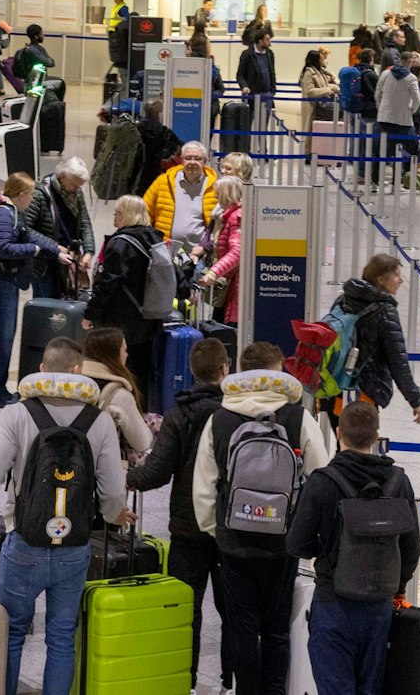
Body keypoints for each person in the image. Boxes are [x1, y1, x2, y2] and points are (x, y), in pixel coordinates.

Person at [0, 336, 131, 695]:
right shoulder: (101, 421)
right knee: (62, 638)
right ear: (78, 371)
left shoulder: (17, 413)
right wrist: (114, 515)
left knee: (11, 632)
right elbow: (111, 491)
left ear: (43, 370)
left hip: (24, 542)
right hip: (74, 546)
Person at [192, 341, 331, 695]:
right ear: (278, 371)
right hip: (281, 540)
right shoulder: (298, 416)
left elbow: (204, 486)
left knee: (240, 626)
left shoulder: (219, 418)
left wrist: (216, 530)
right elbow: (321, 477)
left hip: (234, 541)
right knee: (275, 628)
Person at [287, 399, 420, 693]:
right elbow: (413, 546)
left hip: (334, 603)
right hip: (379, 608)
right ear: (376, 436)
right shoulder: (399, 482)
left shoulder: (323, 482)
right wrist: (396, 585)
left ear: (338, 434)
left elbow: (298, 544)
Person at [129, 338, 232, 691]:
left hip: (188, 527)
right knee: (232, 607)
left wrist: (118, 478)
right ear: (225, 369)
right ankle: (230, 677)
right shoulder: (235, 413)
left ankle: (183, 678)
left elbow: (155, 473)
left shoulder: (178, 415)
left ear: (191, 371)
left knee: (186, 606)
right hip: (231, 527)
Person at [0, 176, 74, 409]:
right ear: (21, 194)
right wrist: (34, 250)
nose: (32, 200)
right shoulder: (2, 213)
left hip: (3, 280)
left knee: (4, 336)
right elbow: (3, 247)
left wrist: (54, 249)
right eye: (30, 195)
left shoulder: (11, 211)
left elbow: (26, 233)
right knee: (1, 337)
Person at [329, 254, 420, 424]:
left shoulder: (343, 299)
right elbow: (398, 362)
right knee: (360, 446)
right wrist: (415, 400)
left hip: (333, 385)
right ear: (381, 279)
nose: (401, 280)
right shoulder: (384, 311)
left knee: (342, 442)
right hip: (362, 392)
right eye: (396, 274)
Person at [90, 195, 168, 400]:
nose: (114, 217)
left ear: (126, 215)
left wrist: (90, 313)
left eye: (117, 212)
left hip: (123, 322)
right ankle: (141, 415)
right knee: (141, 374)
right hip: (151, 318)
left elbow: (107, 284)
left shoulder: (121, 244)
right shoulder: (157, 239)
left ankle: (121, 415)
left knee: (120, 371)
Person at [22, 156, 97, 300]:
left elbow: (85, 222)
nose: (77, 190)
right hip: (45, 264)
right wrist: (54, 247)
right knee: (45, 307)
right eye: (74, 185)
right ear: (62, 176)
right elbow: (26, 229)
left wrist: (89, 251)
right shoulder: (39, 194)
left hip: (68, 259)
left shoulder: (76, 193)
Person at [76, 327, 156, 455]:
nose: (127, 355)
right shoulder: (118, 394)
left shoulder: (68, 384)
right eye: (124, 350)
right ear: (113, 355)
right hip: (102, 466)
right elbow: (142, 443)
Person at [144, 140, 217, 249]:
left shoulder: (215, 187)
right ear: (181, 160)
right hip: (166, 251)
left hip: (200, 255)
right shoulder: (163, 181)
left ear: (205, 161)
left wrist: (207, 246)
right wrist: (151, 240)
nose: (192, 162)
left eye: (197, 158)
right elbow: (144, 211)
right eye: (188, 158)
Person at [197, 176, 246, 328]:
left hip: (235, 286)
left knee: (226, 330)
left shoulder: (237, 217)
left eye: (218, 192)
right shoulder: (228, 216)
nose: (215, 196)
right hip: (229, 283)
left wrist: (214, 273)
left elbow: (238, 252)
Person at [374, 53, 420, 186]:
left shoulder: (385, 74)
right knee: (409, 149)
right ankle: (402, 179)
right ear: (410, 62)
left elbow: (377, 93)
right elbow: (418, 99)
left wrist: (381, 107)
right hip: (403, 120)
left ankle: (376, 180)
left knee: (379, 150)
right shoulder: (411, 78)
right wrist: (410, 111)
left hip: (384, 118)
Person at [238, 26, 276, 110]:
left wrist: (272, 90)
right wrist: (244, 86)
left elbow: (272, 72)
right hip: (252, 94)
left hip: (267, 94)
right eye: (267, 40)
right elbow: (240, 74)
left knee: (265, 120)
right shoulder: (247, 54)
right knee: (250, 120)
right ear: (260, 41)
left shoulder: (270, 54)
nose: (269, 42)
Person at [300, 49, 337, 121]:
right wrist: (328, 90)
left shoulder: (320, 72)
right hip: (312, 107)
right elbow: (310, 91)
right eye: (321, 59)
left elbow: (323, 85)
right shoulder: (309, 73)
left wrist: (334, 88)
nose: (323, 61)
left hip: (320, 108)